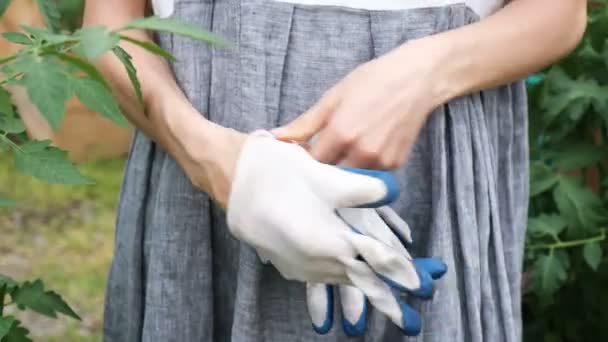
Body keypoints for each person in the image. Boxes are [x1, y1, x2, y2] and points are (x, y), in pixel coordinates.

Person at [84, 0, 587, 341]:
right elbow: (106, 22)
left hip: (428, 153)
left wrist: (419, 76)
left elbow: (557, 13)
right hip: (195, 175)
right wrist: (215, 162)